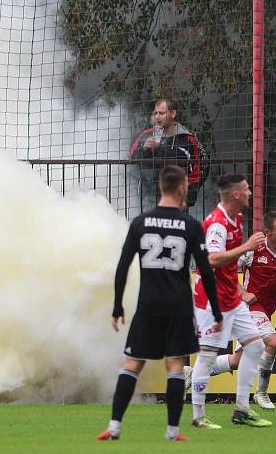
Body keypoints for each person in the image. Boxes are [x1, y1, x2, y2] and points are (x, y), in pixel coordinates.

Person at [97, 165, 222, 442]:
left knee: (132, 363)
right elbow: (205, 269)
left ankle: (115, 426)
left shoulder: (141, 222)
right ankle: (173, 431)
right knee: (175, 365)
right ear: (180, 188)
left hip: (148, 305)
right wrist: (215, 308)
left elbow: (122, 266)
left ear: (162, 187)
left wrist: (117, 307)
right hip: (178, 305)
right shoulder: (190, 225)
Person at [184, 211, 276, 410]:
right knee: (273, 342)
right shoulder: (254, 251)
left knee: (237, 361)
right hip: (249, 308)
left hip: (267, 309)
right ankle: (261, 394)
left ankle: (192, 373)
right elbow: (224, 271)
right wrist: (242, 292)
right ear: (268, 232)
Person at [188, 173, 272, 429]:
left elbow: (226, 264)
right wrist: (246, 247)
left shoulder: (236, 218)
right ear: (235, 194)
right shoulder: (217, 223)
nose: (250, 193)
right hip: (211, 300)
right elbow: (212, 259)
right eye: (246, 190)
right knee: (207, 356)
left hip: (232, 299)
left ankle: (242, 409)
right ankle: (198, 416)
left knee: (256, 347)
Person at [130, 98, 209, 209]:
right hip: (146, 200)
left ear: (173, 113)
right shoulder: (145, 135)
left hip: (177, 202)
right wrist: (144, 149)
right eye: (156, 113)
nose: (157, 117)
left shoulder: (187, 139)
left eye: (161, 113)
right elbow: (133, 161)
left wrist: (187, 200)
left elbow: (195, 170)